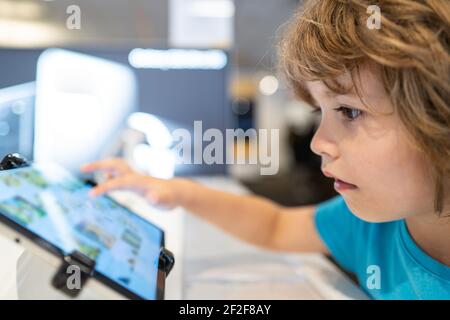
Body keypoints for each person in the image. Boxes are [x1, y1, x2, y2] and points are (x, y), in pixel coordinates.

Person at [81, 0, 450, 299]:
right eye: (319, 111)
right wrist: (180, 192)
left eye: (350, 111)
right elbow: (275, 226)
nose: (318, 142)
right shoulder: (371, 224)